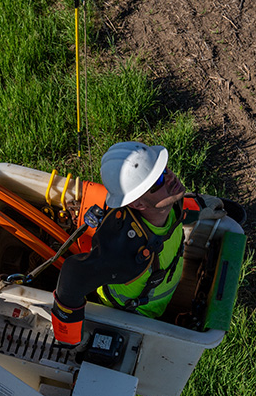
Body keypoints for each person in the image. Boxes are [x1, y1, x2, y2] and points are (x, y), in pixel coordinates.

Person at [50, 141, 233, 345]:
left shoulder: (169, 201)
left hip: (156, 300)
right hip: (130, 316)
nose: (170, 178)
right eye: (158, 181)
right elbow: (72, 277)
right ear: (137, 203)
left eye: (164, 170)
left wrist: (198, 207)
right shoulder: (124, 251)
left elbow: (172, 210)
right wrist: (68, 337)